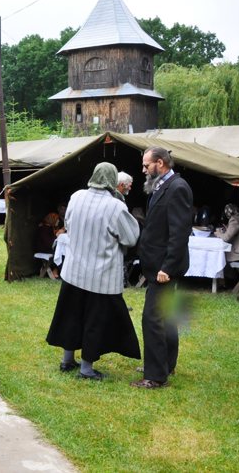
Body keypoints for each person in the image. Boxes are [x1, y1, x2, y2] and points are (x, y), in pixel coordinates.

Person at [46, 163, 141, 381]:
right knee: (94, 321)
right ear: (112, 180)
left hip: (73, 270)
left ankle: (67, 360)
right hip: (100, 276)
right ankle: (86, 370)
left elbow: (68, 223)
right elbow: (131, 237)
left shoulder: (76, 196)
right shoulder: (115, 207)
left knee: (71, 316)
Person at [132, 147, 192, 390]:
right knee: (166, 316)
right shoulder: (162, 185)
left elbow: (179, 233)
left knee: (152, 318)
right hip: (157, 264)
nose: (144, 170)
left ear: (160, 163)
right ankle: (165, 364)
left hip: (164, 268)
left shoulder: (177, 187)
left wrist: (167, 267)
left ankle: (155, 377)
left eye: (147, 166)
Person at [35, 213, 63, 279]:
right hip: (43, 248)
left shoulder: (51, 228)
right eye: (57, 220)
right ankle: (55, 272)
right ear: (52, 220)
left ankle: (58, 271)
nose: (58, 221)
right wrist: (57, 234)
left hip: (48, 247)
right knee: (61, 252)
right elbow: (49, 244)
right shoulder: (44, 229)